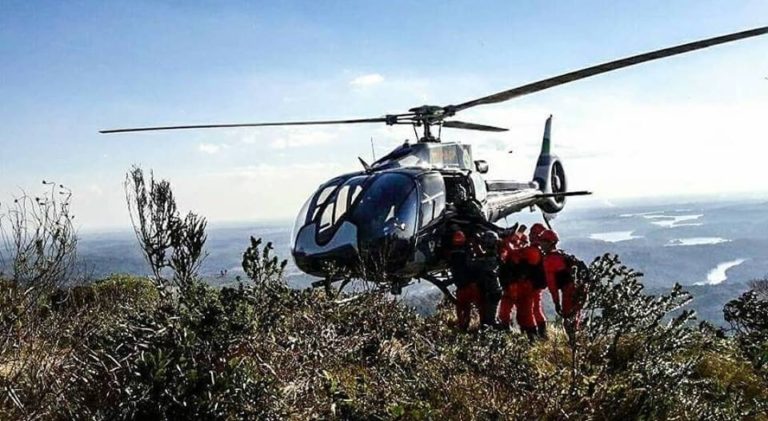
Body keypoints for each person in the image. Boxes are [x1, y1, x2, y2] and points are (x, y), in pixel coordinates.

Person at [540, 229, 587, 338]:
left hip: (569, 290)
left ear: (550, 242)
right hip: (580, 288)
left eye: (543, 241)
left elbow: (552, 285)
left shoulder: (549, 260)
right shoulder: (561, 254)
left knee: (568, 320)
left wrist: (556, 303)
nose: (541, 244)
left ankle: (574, 345)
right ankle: (580, 341)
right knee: (576, 318)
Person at [498, 228, 538, 340]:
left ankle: (531, 339)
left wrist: (506, 241)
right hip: (512, 289)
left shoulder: (525, 254)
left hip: (521, 290)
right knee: (505, 314)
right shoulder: (515, 254)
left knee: (524, 316)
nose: (518, 245)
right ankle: (510, 337)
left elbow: (513, 255)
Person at [448, 226, 481, 331]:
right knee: (479, 306)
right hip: (470, 285)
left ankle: (463, 327)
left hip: (462, 286)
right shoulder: (468, 251)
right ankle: (483, 325)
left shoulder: (452, 254)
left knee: (463, 308)